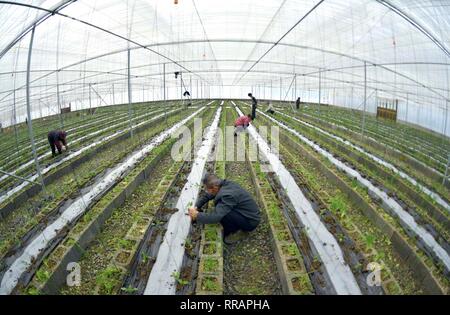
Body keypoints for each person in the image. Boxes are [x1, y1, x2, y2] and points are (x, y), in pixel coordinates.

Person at [188, 173, 260, 244]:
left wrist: (197, 215)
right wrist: (197, 206)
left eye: (207, 189)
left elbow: (215, 217)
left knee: (224, 214)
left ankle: (237, 232)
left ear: (215, 187)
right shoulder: (224, 184)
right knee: (221, 209)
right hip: (247, 213)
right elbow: (208, 195)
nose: (207, 191)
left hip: (250, 221)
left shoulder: (227, 196)